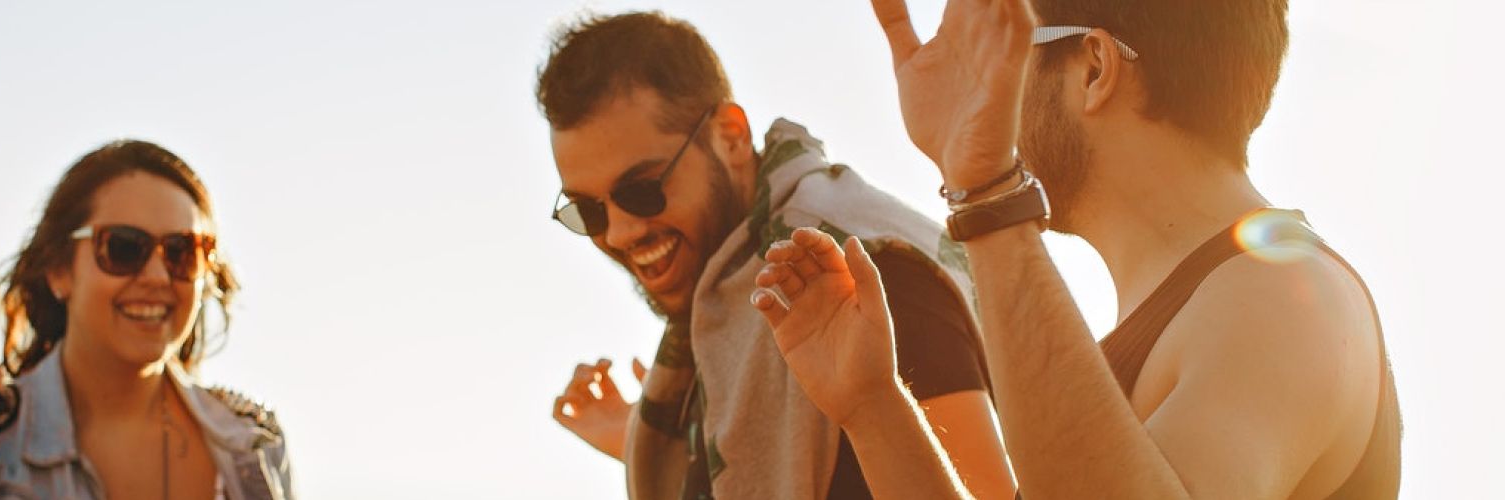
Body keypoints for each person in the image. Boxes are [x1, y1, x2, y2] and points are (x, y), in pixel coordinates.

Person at [757, 0, 1400, 497]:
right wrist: (874, 408)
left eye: (1008, 58)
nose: (989, 88)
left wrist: (985, 191)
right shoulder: (1187, 321)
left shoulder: (1283, 297)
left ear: (1093, 68)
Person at [538, 11, 1014, 499]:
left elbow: (980, 491)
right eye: (588, 211)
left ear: (730, 136)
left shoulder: (862, 277)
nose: (617, 233)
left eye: (641, 191)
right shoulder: (722, 322)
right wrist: (653, 440)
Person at [0, 140, 293, 500]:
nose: (157, 276)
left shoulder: (252, 443)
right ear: (59, 269)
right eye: (124, 248)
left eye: (182, 252)